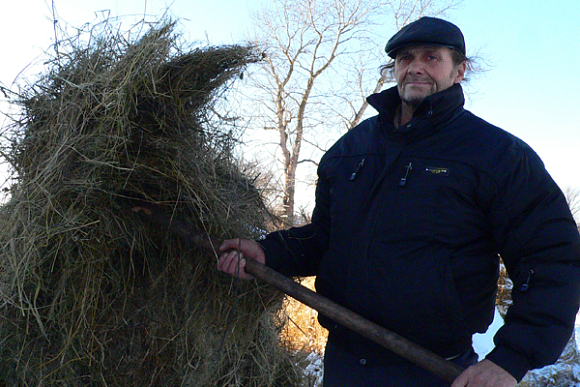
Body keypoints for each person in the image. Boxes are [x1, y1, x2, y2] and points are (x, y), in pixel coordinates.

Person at [218, 17, 580, 387]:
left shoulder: (496, 155)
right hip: (344, 363)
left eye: (431, 57)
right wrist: (268, 253)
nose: (416, 67)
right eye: (405, 58)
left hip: (433, 369)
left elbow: (551, 255)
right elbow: (326, 238)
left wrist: (510, 359)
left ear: (459, 71)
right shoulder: (351, 151)